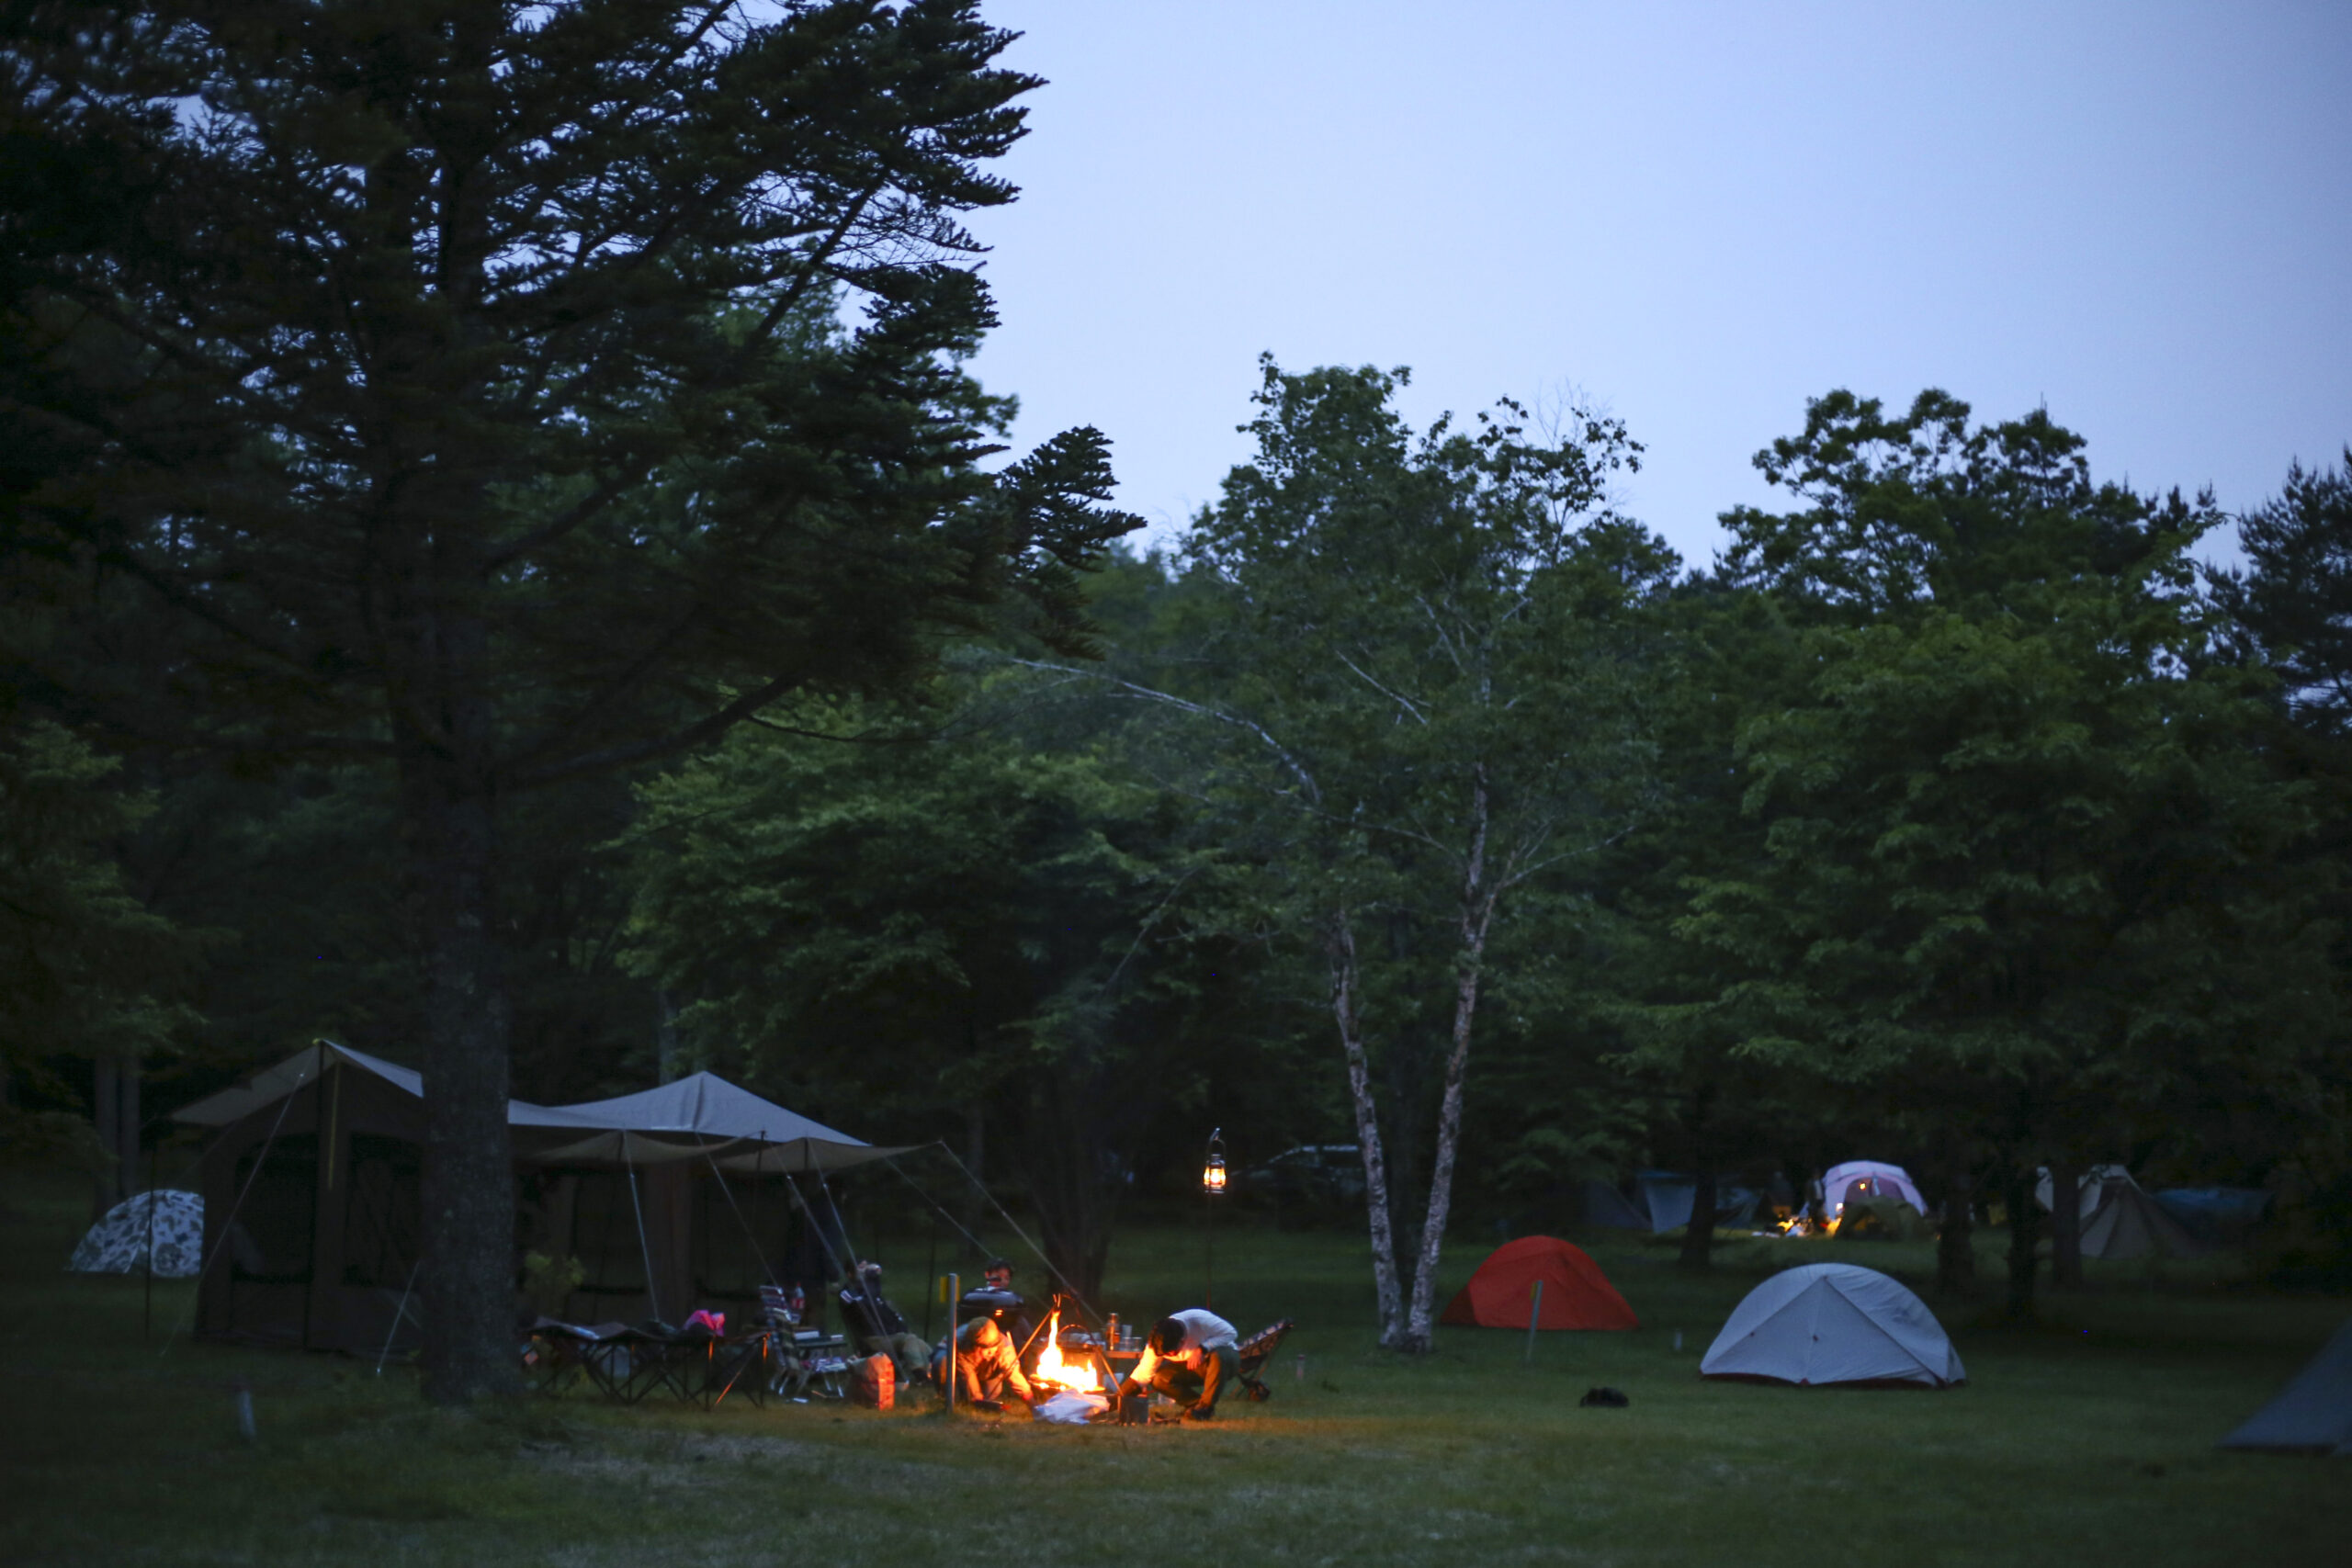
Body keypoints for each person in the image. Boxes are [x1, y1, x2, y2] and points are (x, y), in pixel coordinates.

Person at [1117, 1308, 1238, 1421]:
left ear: (1182, 1341)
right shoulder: (1157, 1342)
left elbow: (1231, 1333)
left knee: (1217, 1356)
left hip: (1226, 1360)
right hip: (1194, 1367)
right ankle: (1196, 1406)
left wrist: (1203, 1348)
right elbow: (1143, 1374)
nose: (1169, 1356)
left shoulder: (1198, 1319)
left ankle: (1205, 1407)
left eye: (1172, 1353)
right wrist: (1116, 1399)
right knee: (1159, 1379)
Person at [837, 1261, 930, 1381]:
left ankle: (930, 1369)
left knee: (915, 1341)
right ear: (850, 1274)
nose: (865, 1270)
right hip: (873, 1339)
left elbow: (886, 1311)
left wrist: (900, 1327)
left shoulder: (873, 1292)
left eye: (866, 1266)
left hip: (890, 1336)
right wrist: (871, 1280)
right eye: (861, 1267)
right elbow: (865, 1304)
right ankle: (921, 1374)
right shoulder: (846, 1293)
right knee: (910, 1339)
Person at [947, 1314, 1035, 1410]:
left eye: (993, 1347)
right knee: (941, 1362)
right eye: (986, 1348)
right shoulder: (961, 1346)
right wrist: (976, 1396)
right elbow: (967, 1374)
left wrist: (1031, 1402)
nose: (991, 1352)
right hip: (965, 1371)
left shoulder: (1003, 1346)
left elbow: (1014, 1374)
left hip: (989, 1373)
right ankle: (948, 1395)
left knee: (990, 1395)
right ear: (976, 1346)